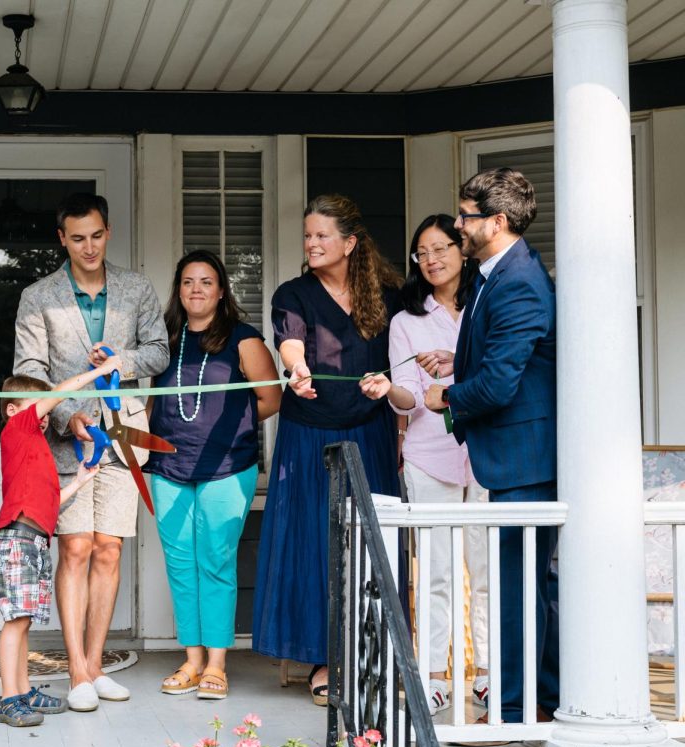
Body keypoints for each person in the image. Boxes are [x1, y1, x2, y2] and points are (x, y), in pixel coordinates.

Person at [13, 192, 169, 711]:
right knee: (75, 548)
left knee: (110, 548)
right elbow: (30, 373)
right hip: (67, 438)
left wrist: (118, 360)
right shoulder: (39, 296)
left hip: (125, 434)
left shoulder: (136, 288)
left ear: (108, 232)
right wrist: (66, 416)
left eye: (96, 235)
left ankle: (97, 665)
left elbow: (159, 352)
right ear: (62, 239)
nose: (89, 246)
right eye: (77, 237)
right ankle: (77, 670)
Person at [252, 194, 403, 706]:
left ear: (350, 243)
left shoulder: (387, 294)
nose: (312, 243)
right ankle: (324, 658)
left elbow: (401, 356)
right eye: (308, 235)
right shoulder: (294, 293)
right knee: (316, 543)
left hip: (370, 434)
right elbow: (289, 343)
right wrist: (296, 368)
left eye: (322, 235)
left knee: (369, 544)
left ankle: (372, 653)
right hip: (309, 436)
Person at [421, 167, 558, 726]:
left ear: (496, 221)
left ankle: (515, 708)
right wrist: (463, 363)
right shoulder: (491, 274)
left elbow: (501, 383)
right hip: (510, 455)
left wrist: (446, 398)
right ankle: (540, 698)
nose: (458, 225)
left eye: (466, 215)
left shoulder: (520, 279)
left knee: (517, 589)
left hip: (525, 457)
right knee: (524, 584)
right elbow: (502, 360)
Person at [360, 214, 490, 715]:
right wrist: (385, 387)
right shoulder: (406, 322)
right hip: (429, 454)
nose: (432, 260)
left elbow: (497, 370)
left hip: (483, 454)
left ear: (462, 251)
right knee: (434, 572)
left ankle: (487, 676)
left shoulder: (485, 306)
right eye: (422, 252)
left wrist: (454, 360)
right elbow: (409, 399)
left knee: (485, 570)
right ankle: (435, 675)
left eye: (441, 248)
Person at [146, 250, 281, 700]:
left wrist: (233, 429)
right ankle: (192, 659)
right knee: (181, 565)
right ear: (178, 291)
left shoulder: (243, 340)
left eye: (206, 282)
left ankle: (217, 664)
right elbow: (149, 401)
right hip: (168, 466)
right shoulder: (163, 339)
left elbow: (269, 398)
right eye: (187, 282)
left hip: (227, 468)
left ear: (221, 290)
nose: (196, 290)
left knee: (216, 562)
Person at [0, 353, 123, 726]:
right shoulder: (18, 430)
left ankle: (22, 689)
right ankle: (8, 698)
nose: (46, 415)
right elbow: (64, 391)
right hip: (17, 540)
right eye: (40, 407)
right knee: (15, 622)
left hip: (33, 542)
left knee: (24, 621)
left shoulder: (36, 448)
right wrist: (99, 372)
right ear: (15, 410)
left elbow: (48, 501)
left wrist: (79, 481)